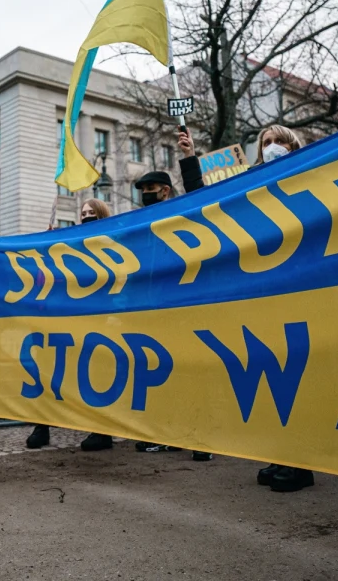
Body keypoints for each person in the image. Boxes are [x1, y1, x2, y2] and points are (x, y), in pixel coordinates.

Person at [246, 124, 315, 494]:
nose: (271, 147)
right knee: (273, 375)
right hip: (266, 293)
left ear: (294, 146)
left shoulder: (308, 179)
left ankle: (301, 462)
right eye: (266, 143)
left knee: (295, 375)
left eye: (279, 142)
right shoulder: (254, 190)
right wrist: (191, 158)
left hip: (299, 290)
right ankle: (281, 454)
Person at [132, 153, 213, 463]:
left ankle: (201, 439)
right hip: (158, 309)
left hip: (186, 305)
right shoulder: (143, 223)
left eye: (149, 187)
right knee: (168, 376)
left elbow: (200, 199)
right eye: (141, 189)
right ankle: (173, 436)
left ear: (165, 190)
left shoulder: (181, 213)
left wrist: (189, 158)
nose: (144, 194)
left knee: (192, 374)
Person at [26, 199, 115, 452]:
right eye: (83, 213)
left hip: (95, 319)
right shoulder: (68, 246)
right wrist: (49, 249)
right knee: (51, 370)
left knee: (94, 373)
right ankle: (42, 425)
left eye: (92, 213)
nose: (86, 216)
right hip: (62, 319)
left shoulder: (110, 244)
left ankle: (102, 430)